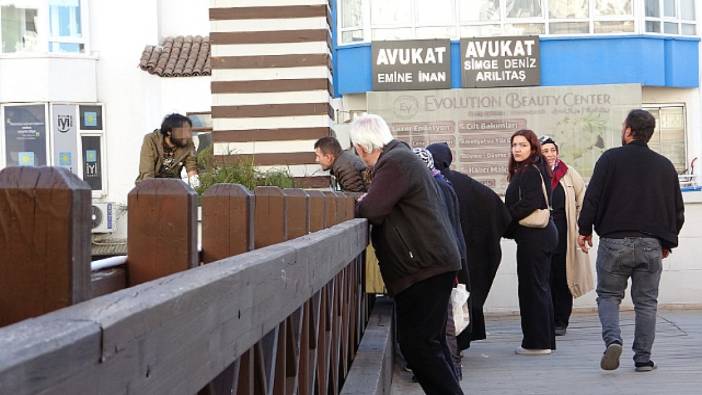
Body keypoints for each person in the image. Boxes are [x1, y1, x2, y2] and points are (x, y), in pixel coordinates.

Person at [352, 114, 463, 394]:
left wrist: (363, 201)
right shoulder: (399, 159)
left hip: (424, 267)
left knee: (418, 346)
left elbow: (372, 210)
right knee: (429, 344)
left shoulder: (395, 162)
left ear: (361, 147)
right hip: (431, 264)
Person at [577, 109, 684, 372]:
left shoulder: (610, 159)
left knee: (609, 296)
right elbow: (676, 209)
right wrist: (667, 241)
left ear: (628, 131)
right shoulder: (664, 165)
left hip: (614, 242)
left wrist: (585, 230)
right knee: (646, 302)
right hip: (650, 244)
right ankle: (643, 359)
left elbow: (592, 197)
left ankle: (613, 340)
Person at [427, 142, 512, 349]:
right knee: (465, 294)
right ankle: (461, 341)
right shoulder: (467, 184)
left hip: (442, 252)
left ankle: (447, 343)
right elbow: (499, 212)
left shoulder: (431, 184)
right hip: (471, 252)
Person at [414, 147, 469, 381]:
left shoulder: (434, 188)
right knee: (441, 317)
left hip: (440, 260)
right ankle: (451, 368)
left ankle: (451, 369)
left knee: (442, 318)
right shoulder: (443, 183)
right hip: (449, 257)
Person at [504, 129, 558, 355]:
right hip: (541, 236)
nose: (517, 149)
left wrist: (505, 214)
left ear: (532, 148)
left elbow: (530, 202)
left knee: (532, 289)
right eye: (514, 145)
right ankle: (545, 341)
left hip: (535, 237)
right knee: (539, 288)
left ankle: (536, 343)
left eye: (523, 145)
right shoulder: (535, 168)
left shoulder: (529, 171)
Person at [539, 136, 594, 336]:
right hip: (542, 229)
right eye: (545, 151)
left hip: (564, 229)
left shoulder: (568, 173)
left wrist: (582, 227)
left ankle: (561, 320)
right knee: (545, 275)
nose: (550, 155)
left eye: (552, 150)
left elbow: (583, 199)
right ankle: (546, 318)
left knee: (563, 274)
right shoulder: (534, 173)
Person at [136, 113, 199, 186]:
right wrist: (151, 193)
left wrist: (197, 190)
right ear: (169, 132)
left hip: (173, 187)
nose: (187, 135)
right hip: (149, 187)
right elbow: (147, 173)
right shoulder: (151, 140)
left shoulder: (188, 144)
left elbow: (192, 170)